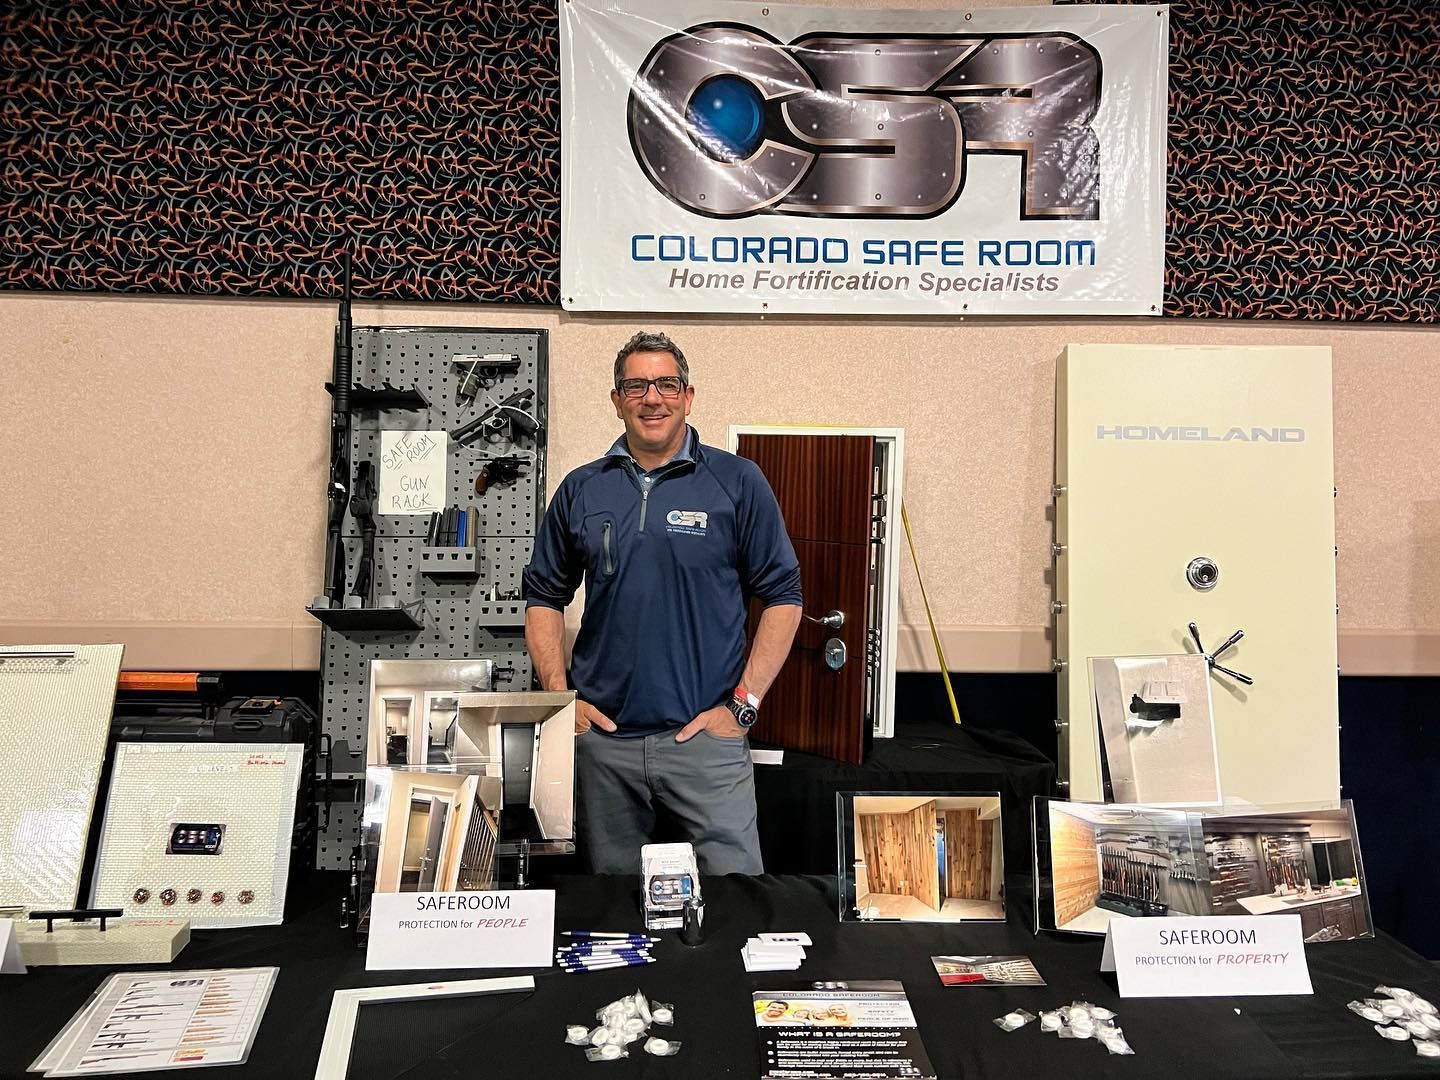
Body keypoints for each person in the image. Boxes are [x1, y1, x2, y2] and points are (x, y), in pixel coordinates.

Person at [522, 331, 802, 875]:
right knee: (611, 913)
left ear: (688, 396)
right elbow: (544, 597)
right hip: (604, 746)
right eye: (636, 386)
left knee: (737, 899)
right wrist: (560, 701)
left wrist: (743, 707)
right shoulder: (582, 490)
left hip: (707, 743)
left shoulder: (737, 482)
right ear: (616, 399)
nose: (652, 398)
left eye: (666, 384)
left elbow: (783, 596)